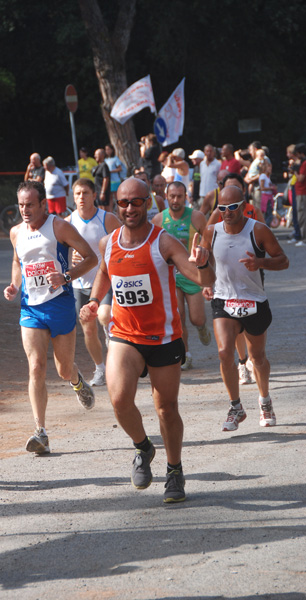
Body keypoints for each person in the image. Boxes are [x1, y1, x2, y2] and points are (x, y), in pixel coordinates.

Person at [80, 177, 215, 503]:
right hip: (125, 335)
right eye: (123, 203)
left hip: (165, 337)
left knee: (166, 409)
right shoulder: (108, 243)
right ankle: (143, 447)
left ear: (147, 203)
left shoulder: (164, 243)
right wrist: (94, 301)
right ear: (116, 203)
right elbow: (103, 271)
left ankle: (174, 470)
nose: (129, 208)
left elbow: (200, 279)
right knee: (119, 399)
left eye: (136, 202)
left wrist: (204, 260)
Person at [3, 180, 97, 455]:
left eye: (30, 204)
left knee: (64, 370)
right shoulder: (15, 232)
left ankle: (78, 381)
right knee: (35, 367)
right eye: (21, 205)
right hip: (30, 308)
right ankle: (40, 431)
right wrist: (14, 284)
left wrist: (66, 276)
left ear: (43, 204)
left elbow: (92, 258)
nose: (25, 210)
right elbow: (16, 262)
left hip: (59, 304)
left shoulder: (59, 227)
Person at [201, 185, 289, 432]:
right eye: (222, 208)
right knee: (223, 351)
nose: (227, 213)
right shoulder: (211, 232)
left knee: (257, 357)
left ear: (243, 206)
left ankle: (265, 400)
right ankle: (236, 406)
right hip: (223, 300)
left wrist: (260, 262)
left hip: (254, 300)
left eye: (232, 208)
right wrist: (205, 282)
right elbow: (204, 265)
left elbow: (284, 261)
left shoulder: (259, 230)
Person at [66, 178, 120, 385]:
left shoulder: (107, 219)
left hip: (105, 280)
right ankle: (100, 369)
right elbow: (61, 254)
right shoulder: (67, 222)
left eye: (85, 193)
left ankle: (111, 337)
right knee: (88, 328)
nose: (81, 197)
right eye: (77, 193)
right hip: (79, 284)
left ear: (94, 196)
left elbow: (123, 243)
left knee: (104, 316)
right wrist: (71, 261)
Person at [152, 181, 211, 370]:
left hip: (192, 275)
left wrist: (206, 266)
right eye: (172, 196)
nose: (175, 200)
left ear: (185, 197)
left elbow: (208, 241)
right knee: (178, 316)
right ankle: (186, 353)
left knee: (196, 318)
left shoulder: (196, 217)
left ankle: (202, 328)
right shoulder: (159, 220)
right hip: (170, 277)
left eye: (179, 196)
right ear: (166, 196)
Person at [294, 142, 306, 246]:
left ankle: (304, 238)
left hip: (302, 192)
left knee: (302, 215)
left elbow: (301, 178)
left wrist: (295, 172)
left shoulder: (304, 163)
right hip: (301, 192)